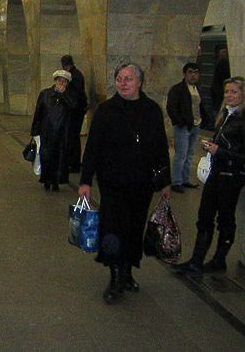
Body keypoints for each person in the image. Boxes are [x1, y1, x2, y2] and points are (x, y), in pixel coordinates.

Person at [78, 63, 171, 305]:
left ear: (139, 82)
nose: (123, 83)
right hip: (112, 183)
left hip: (141, 184)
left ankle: (128, 271)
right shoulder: (106, 111)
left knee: (134, 228)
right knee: (113, 229)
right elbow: (93, 148)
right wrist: (85, 180)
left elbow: (160, 147)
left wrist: (165, 182)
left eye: (128, 78)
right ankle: (115, 275)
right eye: (119, 78)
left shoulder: (151, 110)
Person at [173, 77, 245, 276]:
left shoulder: (241, 120)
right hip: (217, 172)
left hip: (232, 176)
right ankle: (196, 261)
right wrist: (212, 147)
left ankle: (219, 260)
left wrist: (218, 150)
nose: (229, 95)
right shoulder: (226, 115)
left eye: (234, 91)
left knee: (225, 218)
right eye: (226, 91)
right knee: (204, 216)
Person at [30, 70, 76, 191]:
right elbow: (39, 112)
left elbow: (73, 107)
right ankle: (46, 179)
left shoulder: (69, 96)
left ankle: (56, 181)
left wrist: (63, 95)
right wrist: (35, 130)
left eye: (64, 82)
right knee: (46, 156)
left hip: (62, 132)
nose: (61, 84)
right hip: (46, 131)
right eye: (59, 81)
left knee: (59, 157)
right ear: (55, 81)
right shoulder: (45, 94)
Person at [166, 63, 206, 193]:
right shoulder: (177, 89)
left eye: (196, 72)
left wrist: (204, 120)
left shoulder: (197, 88)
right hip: (183, 127)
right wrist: (180, 122)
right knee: (181, 154)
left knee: (190, 154)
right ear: (184, 74)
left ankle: (185, 179)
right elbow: (171, 107)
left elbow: (200, 106)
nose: (193, 75)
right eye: (190, 72)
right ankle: (176, 182)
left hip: (195, 125)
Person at [61, 55, 87, 173]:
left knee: (73, 137)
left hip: (75, 111)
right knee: (73, 137)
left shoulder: (73, 76)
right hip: (77, 110)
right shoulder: (76, 74)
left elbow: (75, 94)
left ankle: (74, 163)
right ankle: (72, 162)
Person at [211, 46, 230, 115]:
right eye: (222, 52)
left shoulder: (219, 63)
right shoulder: (223, 63)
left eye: (225, 52)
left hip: (219, 97)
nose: (224, 54)